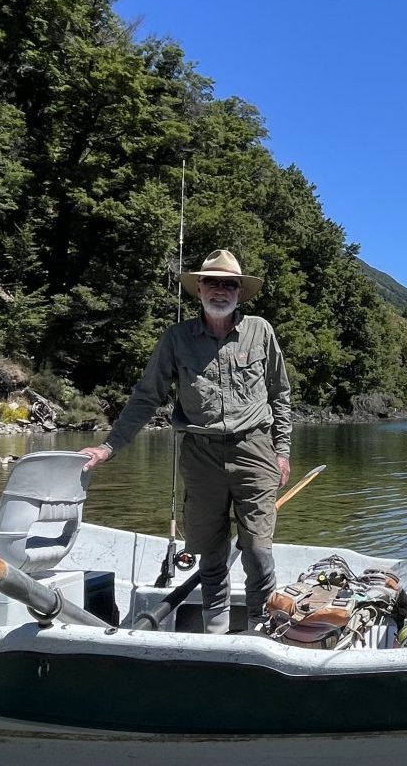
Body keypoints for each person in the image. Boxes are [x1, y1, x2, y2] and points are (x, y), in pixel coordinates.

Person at [82, 250, 292, 633]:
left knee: (258, 549)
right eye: (213, 282)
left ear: (239, 292)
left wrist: (282, 451)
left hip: (256, 451)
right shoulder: (176, 339)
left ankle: (261, 627)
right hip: (200, 455)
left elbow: (281, 395)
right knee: (210, 553)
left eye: (230, 284)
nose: (221, 290)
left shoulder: (261, 331)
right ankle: (216, 629)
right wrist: (108, 447)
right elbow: (147, 397)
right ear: (199, 288)